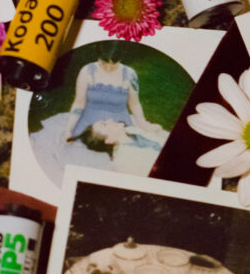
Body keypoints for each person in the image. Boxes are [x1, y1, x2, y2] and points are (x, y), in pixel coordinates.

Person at [29, 55, 166, 186]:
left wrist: (143, 124)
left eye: (113, 64)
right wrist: (68, 129)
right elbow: (79, 102)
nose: (108, 68)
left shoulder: (129, 74)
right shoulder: (87, 71)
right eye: (103, 63)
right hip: (91, 119)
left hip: (119, 119)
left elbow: (135, 104)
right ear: (98, 59)